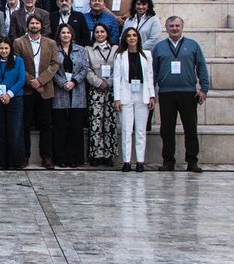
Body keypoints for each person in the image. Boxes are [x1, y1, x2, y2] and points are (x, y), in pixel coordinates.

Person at [153, 16, 210, 173]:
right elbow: (153, 72)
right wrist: (152, 92)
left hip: (188, 92)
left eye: (177, 25)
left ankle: (192, 161)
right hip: (166, 93)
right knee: (167, 129)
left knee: (190, 128)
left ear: (182, 27)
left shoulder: (193, 45)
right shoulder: (159, 47)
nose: (175, 28)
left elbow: (202, 67)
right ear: (166, 27)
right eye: (171, 26)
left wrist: (204, 88)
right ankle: (168, 161)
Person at [14, 15, 58, 169]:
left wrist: (41, 81)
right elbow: (18, 64)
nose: (34, 25)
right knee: (24, 125)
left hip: (45, 89)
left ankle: (46, 157)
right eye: (31, 23)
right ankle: (24, 156)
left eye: (37, 23)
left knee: (46, 125)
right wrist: (32, 81)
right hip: (26, 90)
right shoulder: (19, 42)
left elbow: (54, 64)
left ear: (41, 25)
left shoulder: (51, 43)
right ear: (27, 25)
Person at [113, 27, 156, 172]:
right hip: (126, 93)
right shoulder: (120, 56)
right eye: (129, 36)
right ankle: (126, 161)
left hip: (142, 93)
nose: (132, 38)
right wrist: (117, 98)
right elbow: (117, 78)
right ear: (125, 39)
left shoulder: (147, 55)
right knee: (126, 129)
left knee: (140, 130)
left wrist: (151, 95)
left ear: (138, 38)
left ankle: (140, 161)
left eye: (134, 35)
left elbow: (150, 76)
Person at [51, 24, 89, 168]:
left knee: (76, 127)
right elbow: (52, 68)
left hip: (77, 90)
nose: (65, 35)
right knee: (60, 127)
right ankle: (60, 158)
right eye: (63, 33)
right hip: (60, 90)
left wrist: (73, 81)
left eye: (68, 32)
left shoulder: (81, 50)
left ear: (72, 34)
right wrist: (62, 83)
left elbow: (85, 68)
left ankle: (74, 158)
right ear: (59, 35)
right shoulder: (54, 49)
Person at [0, 37, 26, 170]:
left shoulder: (19, 61)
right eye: (1, 48)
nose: (4, 51)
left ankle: (15, 160)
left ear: (10, 49)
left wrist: (9, 94)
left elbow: (21, 80)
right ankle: (1, 160)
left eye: (6, 48)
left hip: (15, 98)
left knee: (14, 129)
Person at [85, 23, 118, 167]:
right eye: (97, 32)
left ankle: (108, 155)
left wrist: (109, 82)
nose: (99, 34)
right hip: (95, 90)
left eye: (102, 31)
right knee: (96, 122)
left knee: (109, 122)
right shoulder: (89, 50)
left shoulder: (116, 49)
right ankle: (96, 155)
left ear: (107, 33)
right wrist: (98, 82)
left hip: (111, 90)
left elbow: (119, 68)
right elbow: (86, 68)